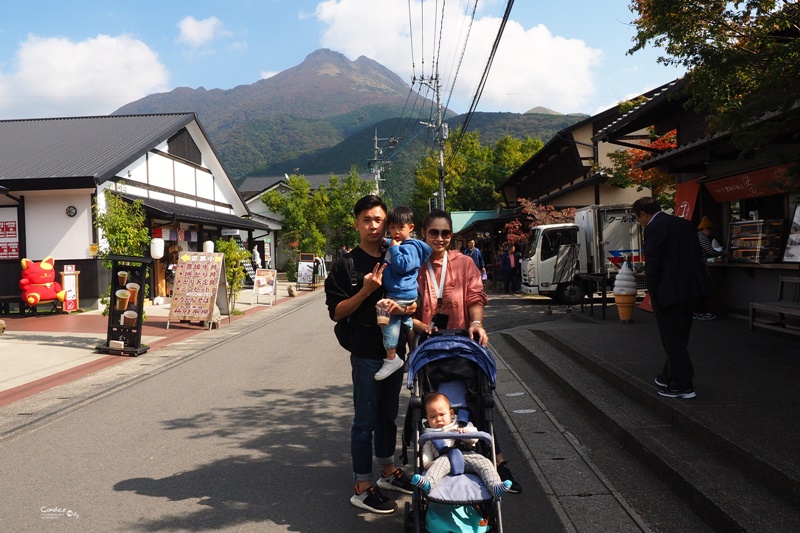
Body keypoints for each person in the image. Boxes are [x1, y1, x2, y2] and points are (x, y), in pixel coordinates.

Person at [412, 209, 522, 493]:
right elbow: (406, 302)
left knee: (477, 400)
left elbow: (475, 296)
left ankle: (494, 461)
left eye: (445, 233)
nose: (440, 238)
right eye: (433, 232)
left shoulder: (464, 263)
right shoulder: (417, 265)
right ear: (424, 234)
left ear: (452, 235)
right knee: (428, 401)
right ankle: (430, 460)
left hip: (462, 342)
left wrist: (476, 322)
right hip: (429, 346)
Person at [324, 195, 416, 514]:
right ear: (357, 223)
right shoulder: (346, 264)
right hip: (365, 352)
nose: (373, 225)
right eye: (367, 219)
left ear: (385, 222)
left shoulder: (397, 255)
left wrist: (410, 308)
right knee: (365, 420)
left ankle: (388, 471)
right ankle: (363, 485)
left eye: (378, 219)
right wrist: (364, 290)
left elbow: (412, 294)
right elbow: (336, 312)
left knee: (388, 416)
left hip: (395, 350)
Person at [633, 197, 711, 399]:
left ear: (643, 214)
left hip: (668, 290)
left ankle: (683, 385)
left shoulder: (653, 228)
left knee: (672, 338)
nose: (640, 222)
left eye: (638, 218)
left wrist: (652, 290)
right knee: (680, 335)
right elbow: (697, 255)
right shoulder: (685, 224)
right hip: (691, 288)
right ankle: (667, 375)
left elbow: (653, 263)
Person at [410, 392, 512, 498]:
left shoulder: (462, 423)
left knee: (485, 464)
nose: (438, 419)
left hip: (469, 454)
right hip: (445, 459)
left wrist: (466, 433)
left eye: (442, 414)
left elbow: (475, 439)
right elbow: (425, 451)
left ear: (451, 413)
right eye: (432, 417)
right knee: (437, 467)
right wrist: (428, 464)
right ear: (427, 418)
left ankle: (494, 486)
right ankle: (428, 483)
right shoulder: (429, 434)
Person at [375, 206, 432, 381]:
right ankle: (413, 354)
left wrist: (393, 248)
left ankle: (391, 358)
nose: (396, 232)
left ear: (411, 227)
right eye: (392, 228)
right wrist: (389, 243)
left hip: (400, 294)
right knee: (406, 323)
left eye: (400, 227)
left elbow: (402, 266)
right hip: (403, 292)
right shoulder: (401, 244)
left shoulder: (411, 247)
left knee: (388, 320)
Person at [695, 216, 725, 320]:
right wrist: (722, 253)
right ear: (706, 229)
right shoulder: (702, 237)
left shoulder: (696, 236)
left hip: (696, 265)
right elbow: (710, 251)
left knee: (697, 289)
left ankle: (698, 312)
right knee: (702, 289)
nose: (711, 234)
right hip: (699, 266)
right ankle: (702, 312)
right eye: (710, 231)